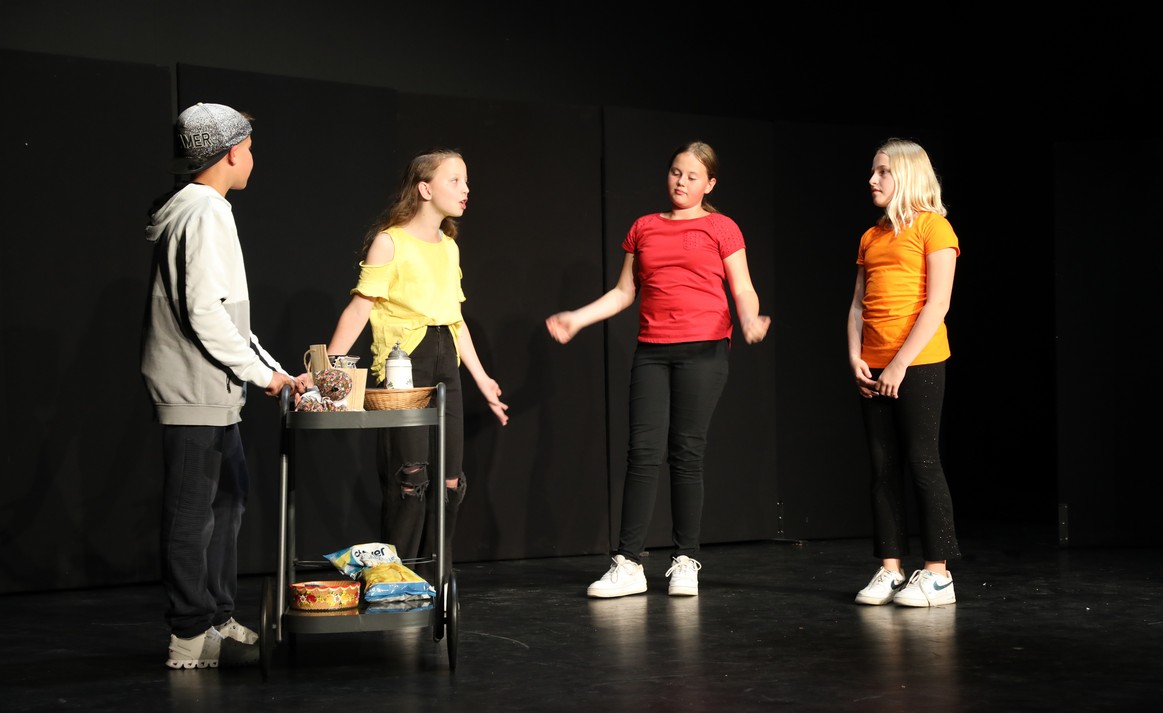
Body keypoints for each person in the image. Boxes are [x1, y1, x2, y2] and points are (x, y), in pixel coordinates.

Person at [547, 140, 770, 598]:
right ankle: (628, 563)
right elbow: (623, 292)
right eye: (675, 172)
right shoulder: (644, 227)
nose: (681, 182)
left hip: (704, 350)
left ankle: (685, 560)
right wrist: (577, 318)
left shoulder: (721, 227)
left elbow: (743, 287)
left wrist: (749, 318)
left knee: (686, 453)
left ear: (710, 184)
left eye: (692, 176)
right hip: (652, 351)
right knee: (643, 453)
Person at [141, 102, 296, 668]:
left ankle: (215, 616)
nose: (252, 158)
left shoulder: (205, 209)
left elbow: (231, 317)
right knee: (192, 512)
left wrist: (275, 370)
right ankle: (188, 635)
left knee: (228, 498)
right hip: (195, 391)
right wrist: (260, 374)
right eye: (249, 148)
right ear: (231, 153)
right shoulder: (205, 212)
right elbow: (204, 313)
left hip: (217, 390)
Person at [312, 147, 508, 565]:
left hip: (446, 368)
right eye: (455, 180)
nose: (465, 189)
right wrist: (323, 373)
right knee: (411, 477)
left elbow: (455, 319)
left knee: (450, 480)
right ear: (425, 189)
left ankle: (436, 574)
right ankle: (397, 575)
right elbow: (359, 309)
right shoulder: (390, 242)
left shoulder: (449, 247)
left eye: (466, 181)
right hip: (403, 368)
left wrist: (482, 379)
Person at [848, 137, 961, 608]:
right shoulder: (871, 236)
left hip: (919, 362)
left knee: (922, 461)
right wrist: (855, 355)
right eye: (873, 171)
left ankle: (938, 574)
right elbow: (858, 305)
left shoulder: (935, 228)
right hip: (873, 364)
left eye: (882, 171)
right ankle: (890, 569)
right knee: (882, 467)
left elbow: (938, 303)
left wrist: (899, 363)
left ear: (907, 175)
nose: (872, 180)